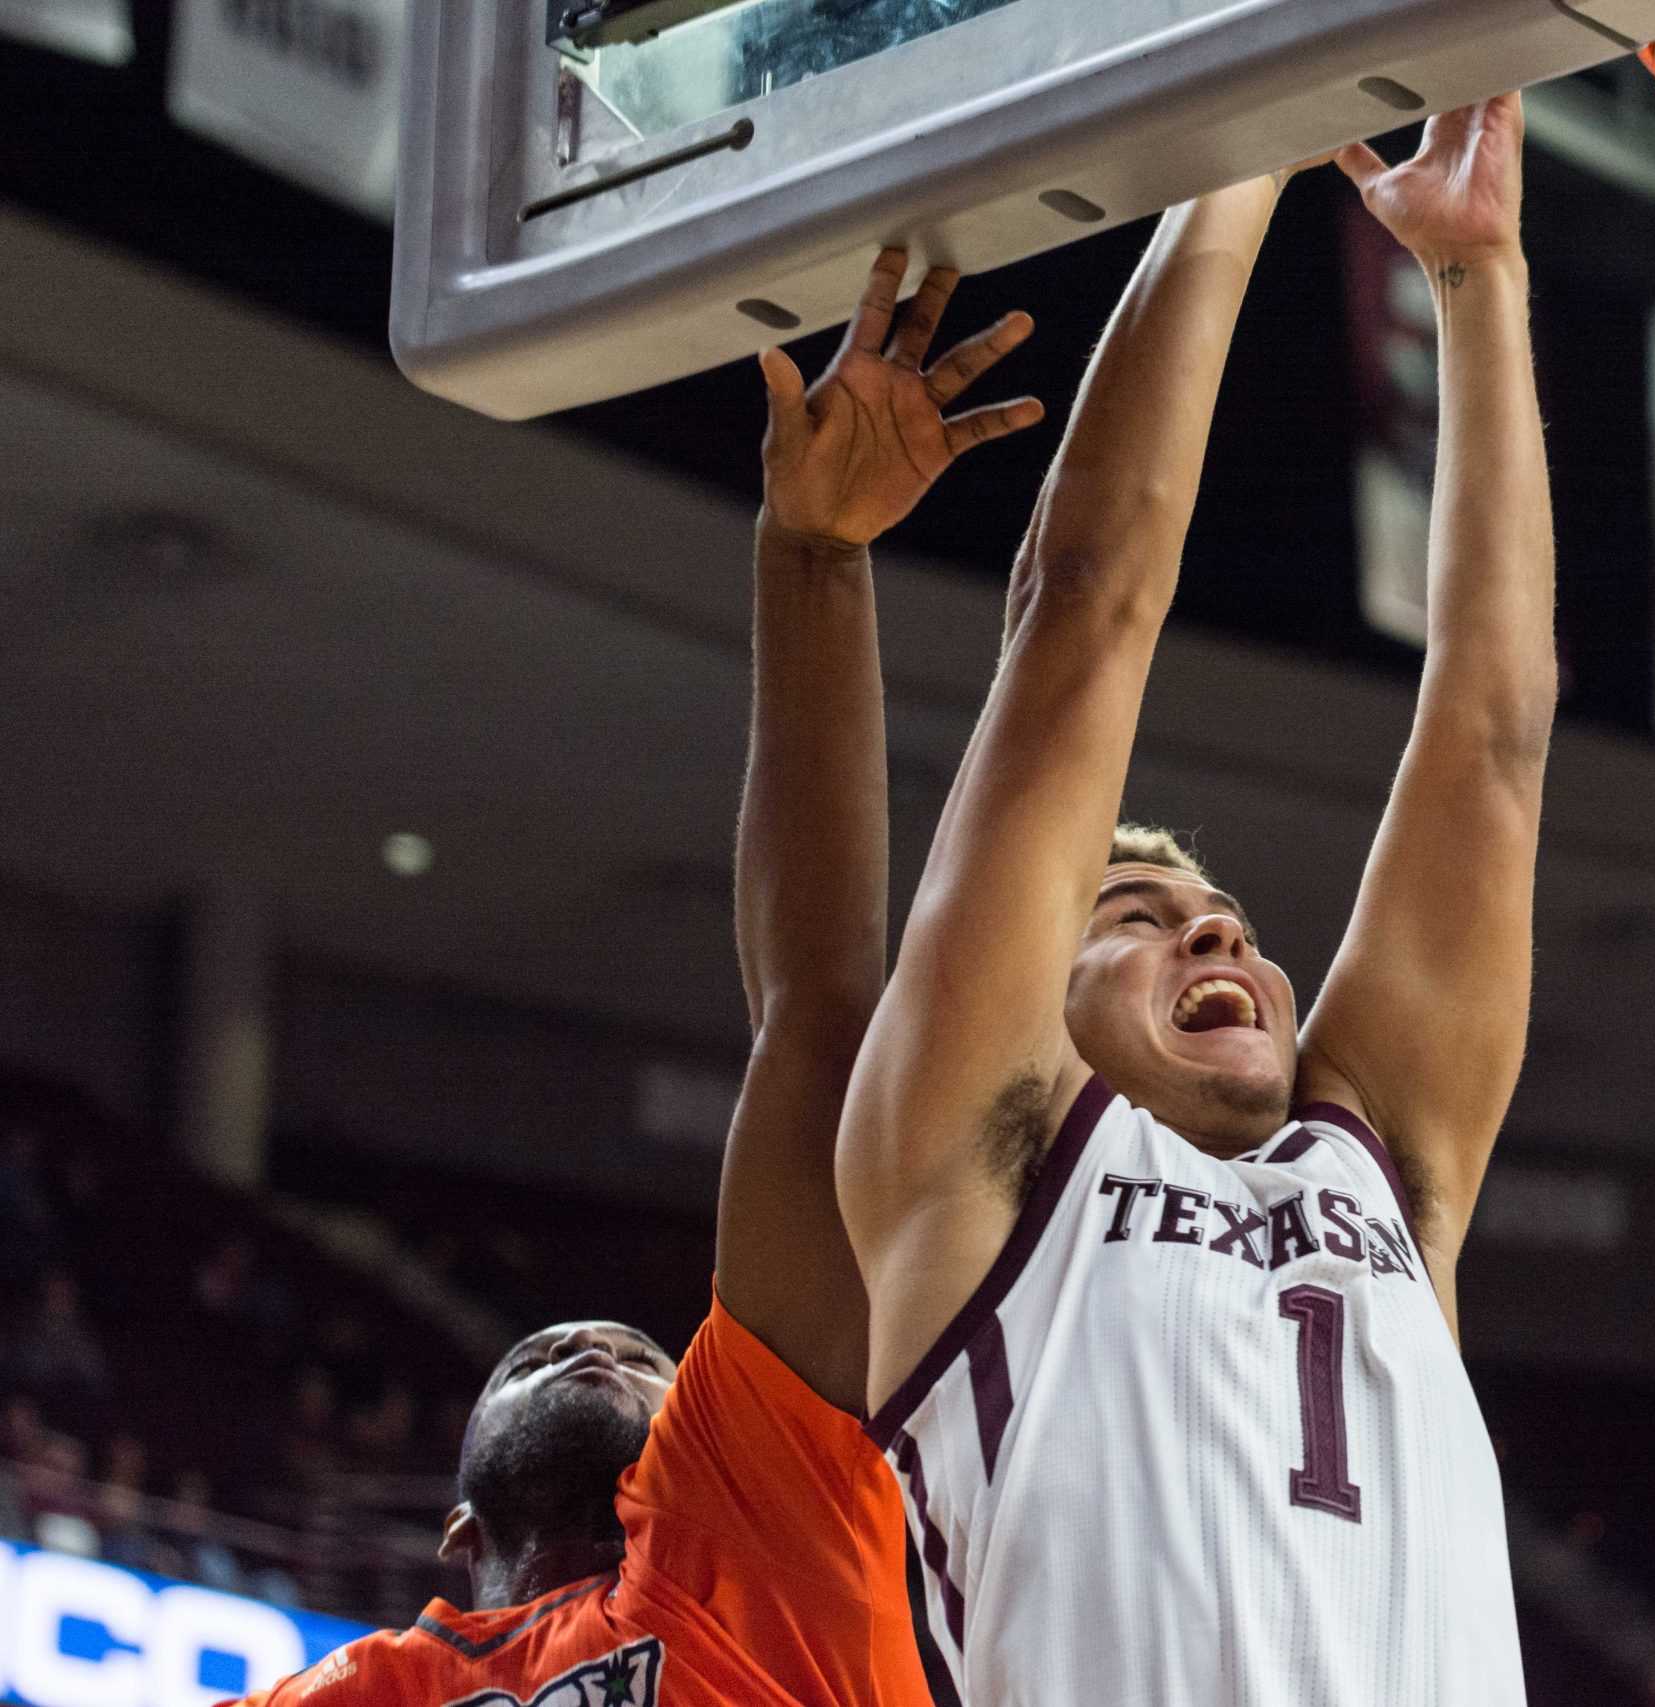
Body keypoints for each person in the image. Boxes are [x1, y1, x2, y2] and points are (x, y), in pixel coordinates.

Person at [230, 251, 1044, 1707]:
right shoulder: (346, 1695)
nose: (594, 1337)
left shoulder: (758, 1530)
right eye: (561, 1351)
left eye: (642, 1359)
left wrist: (813, 555)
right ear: (459, 1535)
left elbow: (817, 1022)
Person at [838, 97, 1553, 1704]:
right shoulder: (979, 1171)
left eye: (1219, 911)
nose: (1215, 930)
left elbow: (1493, 745)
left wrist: (1479, 281)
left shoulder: (1389, 1172)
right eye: (1137, 912)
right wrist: (1244, 128)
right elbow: (1084, 612)